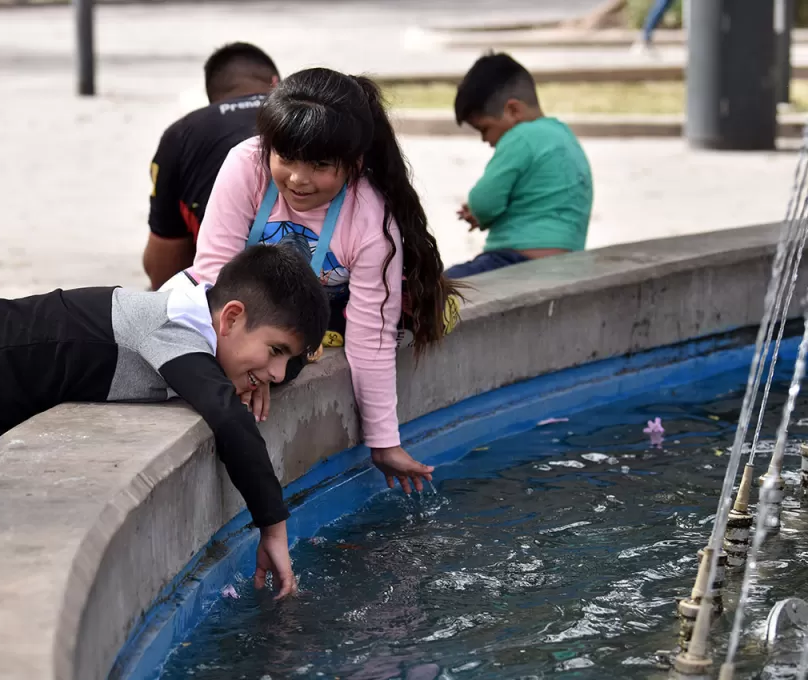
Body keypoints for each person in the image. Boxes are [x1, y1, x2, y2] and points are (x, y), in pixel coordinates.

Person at [0, 244, 329, 599]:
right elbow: (229, 421)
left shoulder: (200, 312)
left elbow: (282, 366)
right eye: (276, 351)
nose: (279, 373)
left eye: (286, 358)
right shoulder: (176, 327)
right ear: (230, 318)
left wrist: (258, 371)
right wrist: (274, 528)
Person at [162, 67, 458, 497]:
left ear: (354, 165)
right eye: (286, 159)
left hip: (324, 308)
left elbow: (371, 339)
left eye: (320, 166)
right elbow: (212, 276)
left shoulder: (372, 219)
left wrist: (383, 441)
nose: (299, 179)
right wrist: (246, 369)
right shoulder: (246, 164)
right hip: (238, 303)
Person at [143, 43, 280, 290]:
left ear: (211, 98)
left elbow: (163, 266)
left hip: (234, 291)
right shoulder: (308, 117)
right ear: (276, 83)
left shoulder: (182, 133)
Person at [446, 52, 593, 279]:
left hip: (515, 261)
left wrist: (476, 210)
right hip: (568, 261)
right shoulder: (564, 135)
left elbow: (485, 201)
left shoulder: (521, 136)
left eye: (484, 129)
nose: (486, 140)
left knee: (436, 288)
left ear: (513, 111)